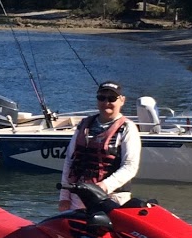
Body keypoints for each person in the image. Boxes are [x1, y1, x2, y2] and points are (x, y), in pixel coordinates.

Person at [58, 80, 141, 211]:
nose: (106, 102)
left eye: (112, 98)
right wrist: (64, 197)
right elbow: (69, 161)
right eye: (101, 98)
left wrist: (103, 186)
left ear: (122, 100)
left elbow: (130, 166)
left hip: (112, 198)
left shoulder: (127, 128)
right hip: (79, 196)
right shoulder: (84, 125)